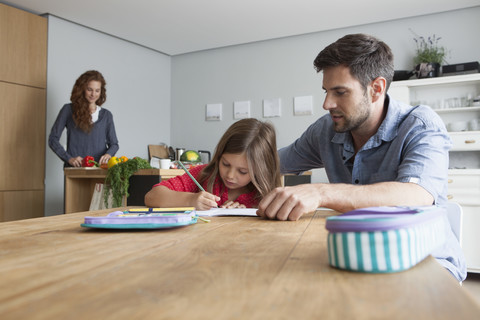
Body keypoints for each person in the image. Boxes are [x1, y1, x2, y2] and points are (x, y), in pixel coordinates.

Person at [257, 33, 466, 281]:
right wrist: (211, 171)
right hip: (359, 257)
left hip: (426, 261)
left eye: (340, 92)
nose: (326, 103)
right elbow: (271, 164)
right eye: (326, 91)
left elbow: (416, 195)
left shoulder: (420, 125)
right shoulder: (325, 129)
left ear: (376, 89)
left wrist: (322, 193)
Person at [145, 118, 281, 210]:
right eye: (226, 164)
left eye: (243, 171)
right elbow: (151, 197)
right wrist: (190, 200)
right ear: (219, 156)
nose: (230, 175)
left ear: (261, 170)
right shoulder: (204, 174)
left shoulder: (265, 193)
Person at [49, 70, 119, 167]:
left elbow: (114, 144)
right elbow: (53, 139)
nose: (93, 94)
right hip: (75, 170)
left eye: (97, 90)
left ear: (101, 91)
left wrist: (108, 154)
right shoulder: (68, 110)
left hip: (98, 170)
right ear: (82, 89)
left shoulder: (106, 115)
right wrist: (69, 158)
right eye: (89, 89)